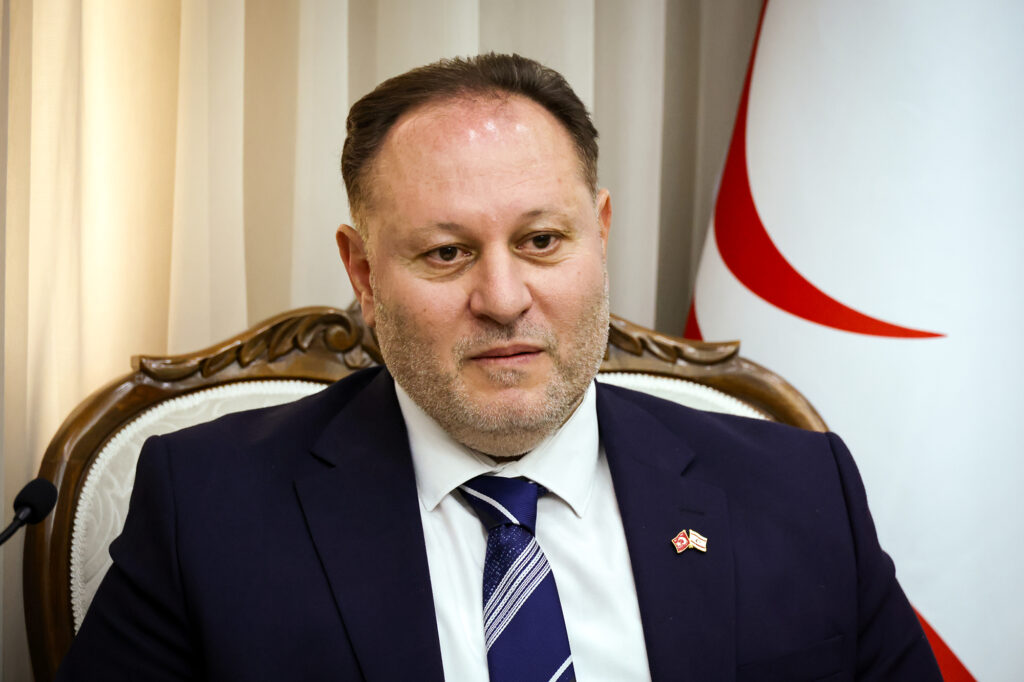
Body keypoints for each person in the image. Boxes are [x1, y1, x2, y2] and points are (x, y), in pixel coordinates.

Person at [59, 54, 941, 681]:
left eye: (542, 240)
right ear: (363, 274)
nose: (504, 298)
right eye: (446, 253)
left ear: (600, 234)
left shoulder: (798, 489)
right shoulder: (209, 509)